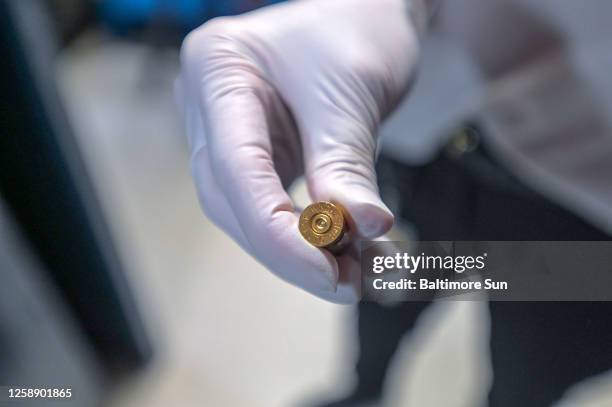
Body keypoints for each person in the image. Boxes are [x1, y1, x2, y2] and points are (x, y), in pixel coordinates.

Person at [175, 0, 612, 405]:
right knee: (385, 297)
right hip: (432, 148)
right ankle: (365, 391)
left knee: (529, 371)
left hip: (575, 212)